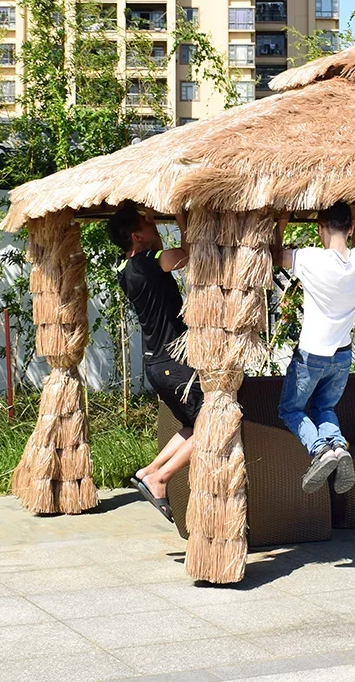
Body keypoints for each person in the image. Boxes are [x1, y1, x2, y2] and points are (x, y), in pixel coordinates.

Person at [107, 202, 201, 522]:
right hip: (174, 363)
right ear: (136, 236)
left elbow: (161, 251)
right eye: (147, 224)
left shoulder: (126, 269)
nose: (153, 224)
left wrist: (155, 229)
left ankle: (149, 470)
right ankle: (160, 480)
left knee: (192, 425)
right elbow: (186, 255)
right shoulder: (150, 262)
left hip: (155, 363)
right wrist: (181, 218)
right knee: (213, 424)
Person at [272, 202, 355, 494]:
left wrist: (282, 221)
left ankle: (320, 450)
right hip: (342, 354)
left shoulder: (311, 259)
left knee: (289, 408)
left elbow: (275, 256)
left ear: (320, 230)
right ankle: (338, 448)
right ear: (351, 228)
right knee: (324, 406)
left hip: (311, 354)